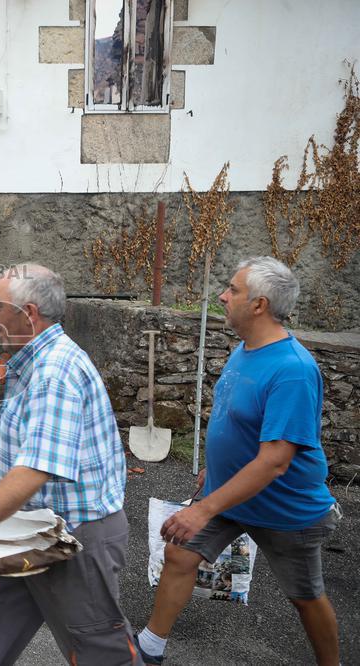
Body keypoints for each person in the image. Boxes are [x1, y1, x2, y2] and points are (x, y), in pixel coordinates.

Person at [0, 264, 139, 665]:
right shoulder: (31, 363)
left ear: (29, 313)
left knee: (102, 656)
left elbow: (35, 470)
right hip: (24, 528)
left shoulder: (55, 372)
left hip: (72, 539)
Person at [135, 256, 340, 666]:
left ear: (259, 304)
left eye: (233, 289)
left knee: (305, 595)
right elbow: (236, 420)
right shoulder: (246, 349)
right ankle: (149, 649)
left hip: (284, 506)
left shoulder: (293, 370)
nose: (223, 296)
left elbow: (275, 461)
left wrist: (202, 510)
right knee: (180, 554)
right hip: (230, 492)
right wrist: (215, 467)